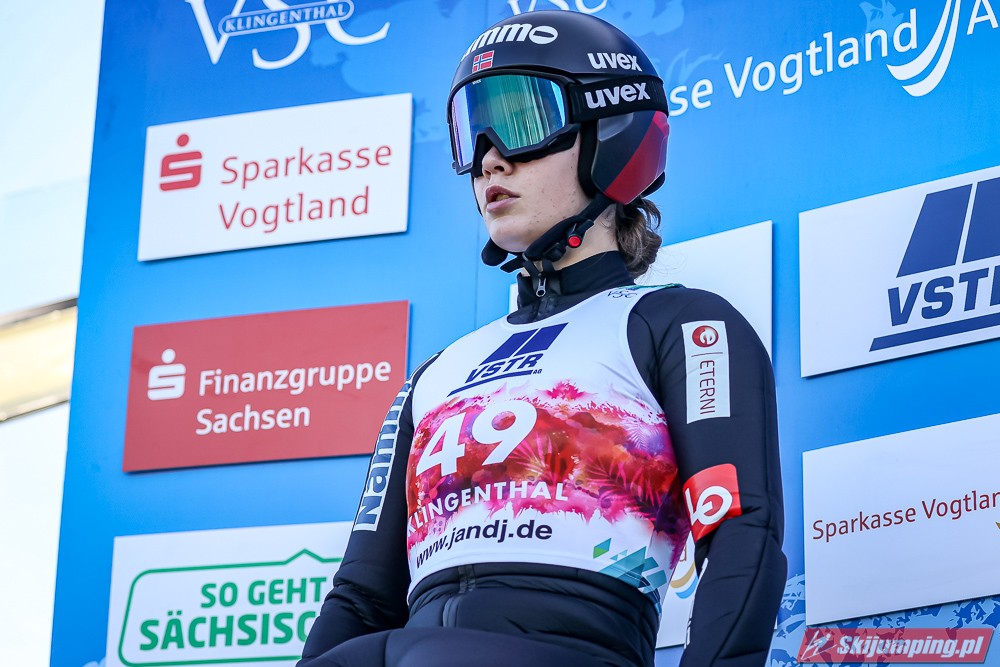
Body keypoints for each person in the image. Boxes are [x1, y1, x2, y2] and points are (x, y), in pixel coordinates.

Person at [299, 11, 785, 667]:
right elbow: (360, 599)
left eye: (523, 122)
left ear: (610, 134)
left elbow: (742, 537)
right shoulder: (435, 374)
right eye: (472, 133)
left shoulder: (682, 327)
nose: (489, 158)